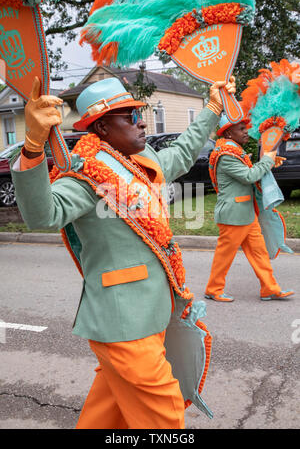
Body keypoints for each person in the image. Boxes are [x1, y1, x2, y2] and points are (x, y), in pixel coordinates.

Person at [11, 76, 235, 429]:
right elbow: (43, 215)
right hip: (123, 324)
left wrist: (212, 108)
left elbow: (179, 153)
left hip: (152, 311)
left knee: (107, 412)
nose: (142, 121)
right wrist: (33, 148)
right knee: (165, 414)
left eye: (138, 113)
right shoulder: (83, 173)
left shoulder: (138, 158)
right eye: (129, 116)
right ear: (101, 126)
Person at [204, 114, 295, 302]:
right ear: (228, 133)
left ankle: (269, 288)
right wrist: (267, 160)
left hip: (245, 212)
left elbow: (249, 173)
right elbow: (248, 176)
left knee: (259, 252)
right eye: (242, 129)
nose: (247, 132)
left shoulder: (233, 151)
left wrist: (267, 161)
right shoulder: (227, 155)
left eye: (246, 128)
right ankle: (213, 289)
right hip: (233, 215)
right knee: (225, 256)